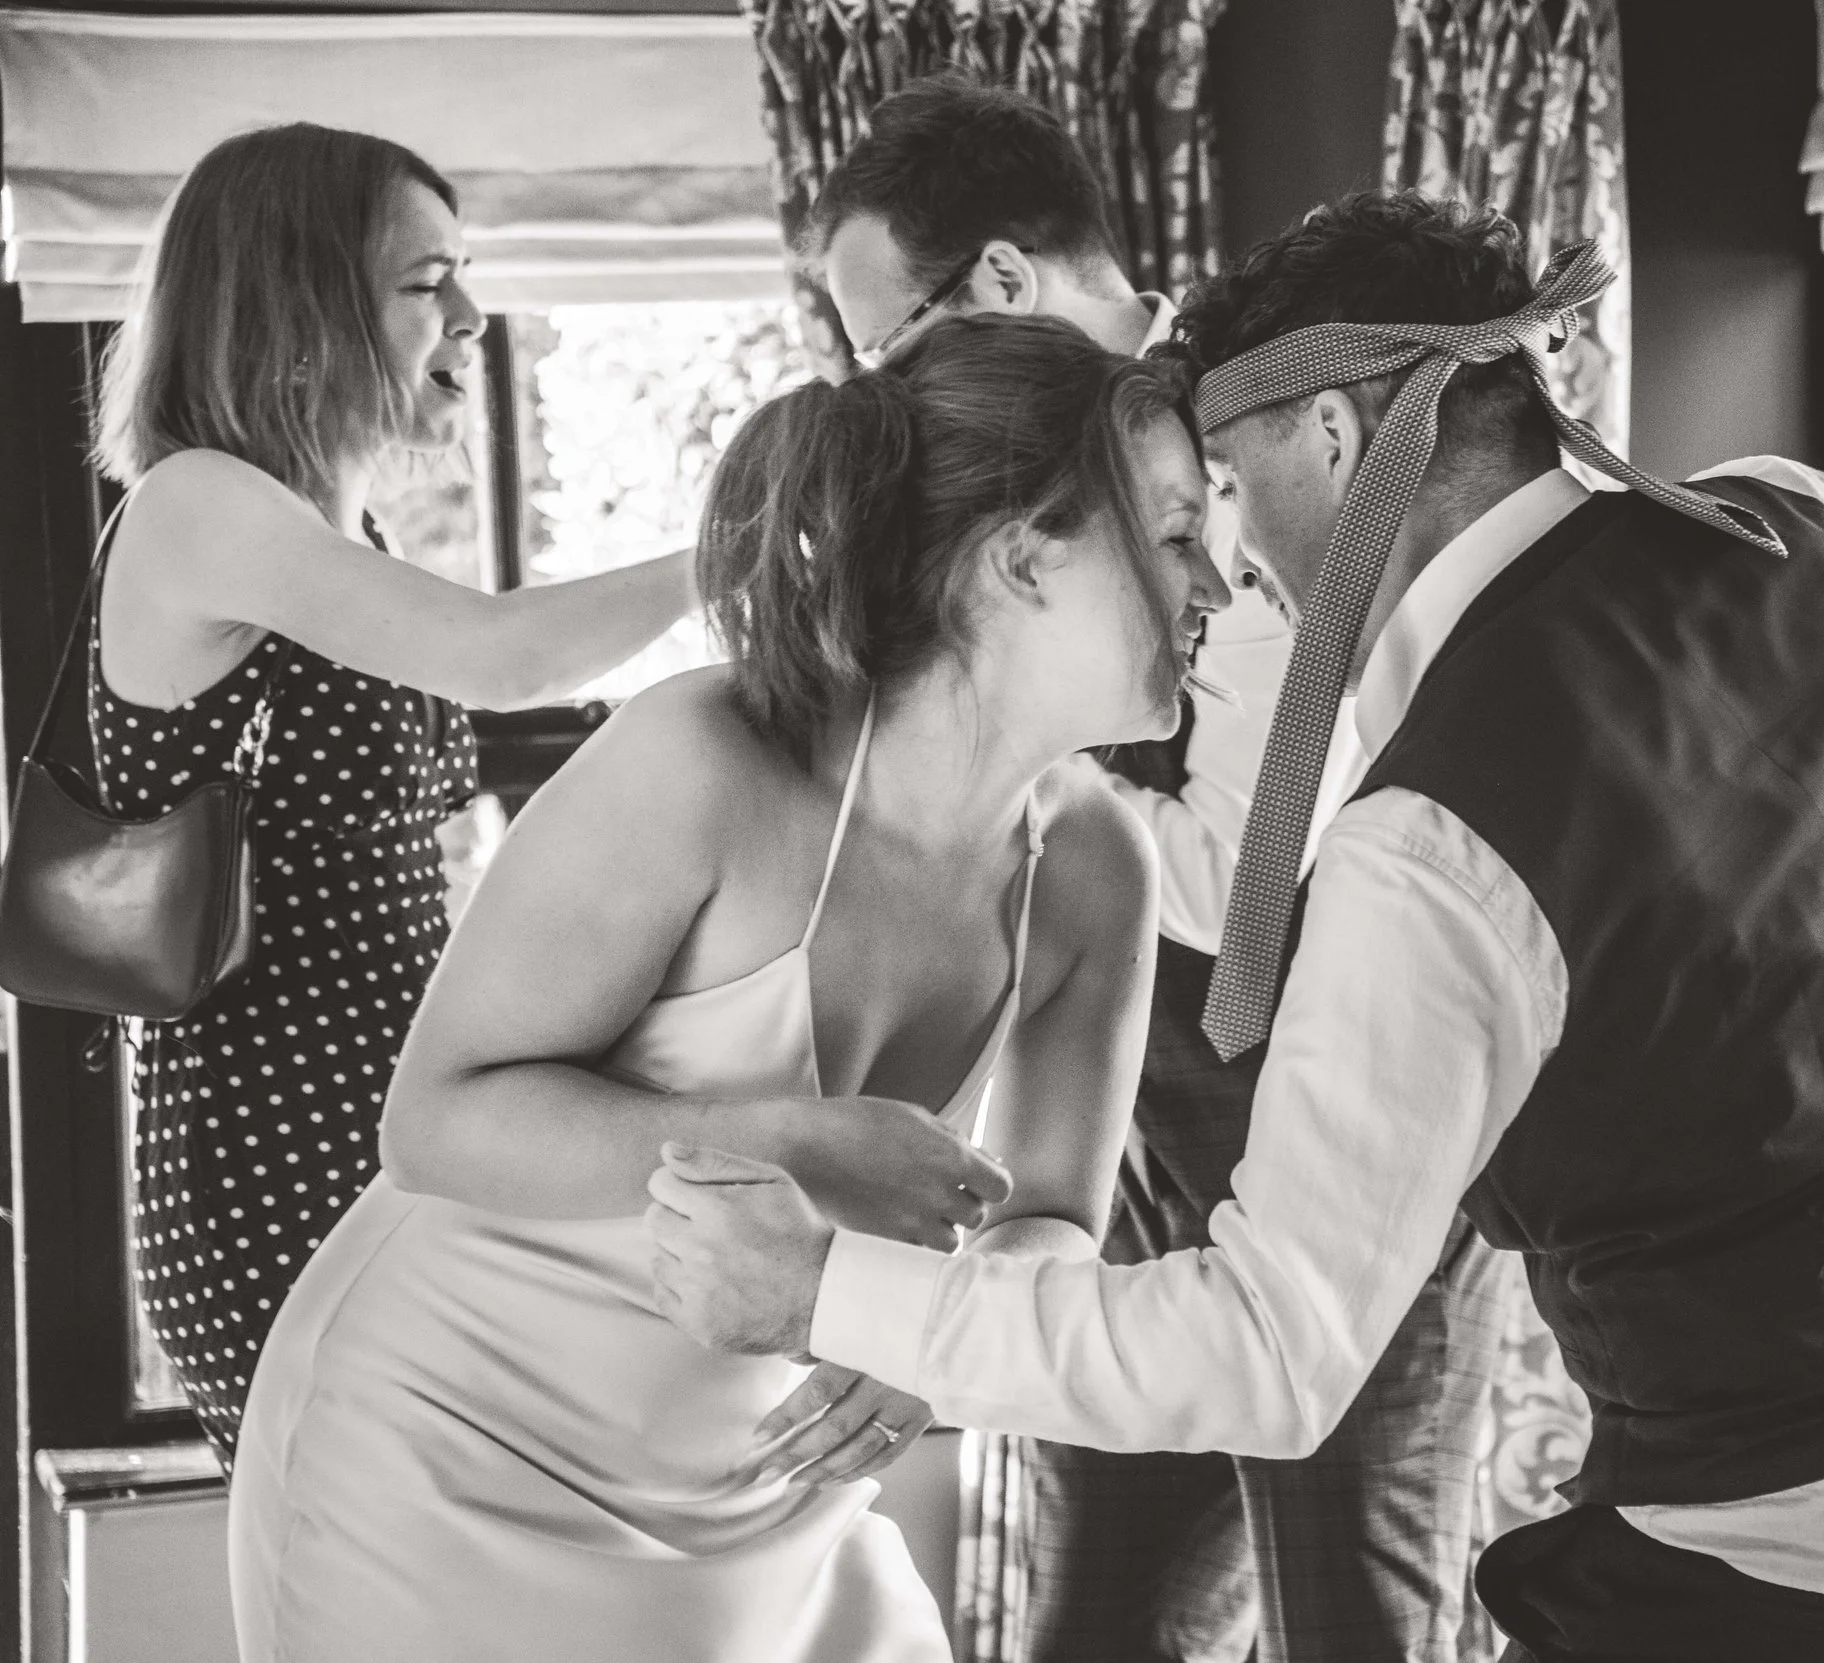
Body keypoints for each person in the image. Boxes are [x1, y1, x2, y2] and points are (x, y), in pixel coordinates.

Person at [651, 191, 1824, 1663]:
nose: (1229, 563)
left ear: (1335, 430)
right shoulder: (1800, 524)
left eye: (1234, 496)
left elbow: (1270, 1348)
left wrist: (823, 1292)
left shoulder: (1428, 841)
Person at [225, 312, 1228, 1661]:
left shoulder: (1100, 865)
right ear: (1024, 558)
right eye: (1173, 535)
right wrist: (802, 1140)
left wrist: (938, 1343)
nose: (1218, 583)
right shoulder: (702, 759)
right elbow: (437, 1122)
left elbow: (1050, 1214)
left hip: (758, 1497)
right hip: (448, 1452)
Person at [811, 76, 1504, 1663]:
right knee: (1100, 1624)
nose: (882, 390)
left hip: (1345, 1117)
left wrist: (1007, 764)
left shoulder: (1248, 440)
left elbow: (1259, 873)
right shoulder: (1034, 468)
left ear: (992, 286)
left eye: (884, 342)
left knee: (1354, 1626)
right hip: (1134, 1132)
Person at [87, 122, 697, 1460]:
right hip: (276, 1148)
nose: (472, 318)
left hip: (403, 1137)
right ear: (297, 304)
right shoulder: (197, 505)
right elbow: (499, 655)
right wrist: (750, 540)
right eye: (427, 283)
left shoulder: (327, 534)